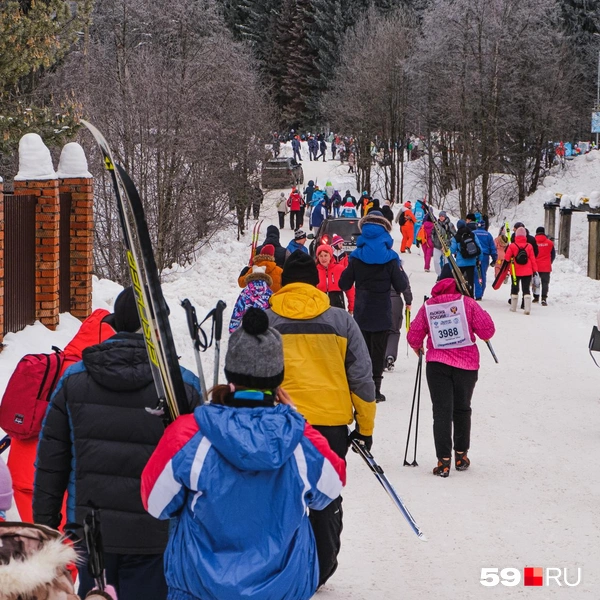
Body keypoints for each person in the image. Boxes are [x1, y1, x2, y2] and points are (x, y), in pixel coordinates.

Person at [141, 309, 345, 600]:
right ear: (277, 380)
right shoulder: (300, 440)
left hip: (201, 588)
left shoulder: (189, 435)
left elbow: (155, 504)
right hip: (283, 589)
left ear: (231, 376)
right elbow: (331, 488)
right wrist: (299, 421)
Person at [33, 287, 203, 600]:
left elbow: (50, 461)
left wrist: (44, 528)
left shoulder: (74, 380)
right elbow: (200, 467)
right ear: (159, 325)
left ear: (117, 325)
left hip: (92, 532)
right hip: (157, 532)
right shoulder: (183, 386)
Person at [266, 251, 375, 588]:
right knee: (326, 496)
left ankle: (280, 565)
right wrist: (365, 428)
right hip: (329, 428)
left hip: (279, 424)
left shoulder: (265, 321)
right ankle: (322, 568)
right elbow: (361, 379)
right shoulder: (341, 321)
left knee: (279, 494)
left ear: (283, 284)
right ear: (316, 282)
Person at [6, 308, 116, 527]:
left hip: (22, 475)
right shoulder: (88, 378)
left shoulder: (56, 365)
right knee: (67, 554)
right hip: (54, 481)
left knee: (42, 549)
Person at [407, 264, 495, 477]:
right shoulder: (468, 304)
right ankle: (461, 455)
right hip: (466, 366)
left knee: (442, 411)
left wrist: (418, 347)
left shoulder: (429, 306)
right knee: (462, 409)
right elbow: (487, 331)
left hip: (437, 365)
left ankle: (443, 461)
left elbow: (413, 335)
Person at [340, 211, 410, 402]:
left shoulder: (356, 256)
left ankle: (361, 388)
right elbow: (401, 286)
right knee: (378, 351)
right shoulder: (391, 257)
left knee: (362, 351)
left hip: (362, 311)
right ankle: (376, 390)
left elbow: (343, 284)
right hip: (382, 311)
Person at [504, 226, 538, 314]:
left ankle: (513, 307)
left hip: (515, 271)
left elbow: (507, 258)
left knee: (515, 288)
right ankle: (527, 309)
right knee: (526, 289)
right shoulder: (529, 246)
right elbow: (533, 259)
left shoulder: (512, 246)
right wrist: (534, 270)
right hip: (527, 271)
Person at [229, 265, 273, 333]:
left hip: (248, 328)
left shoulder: (246, 292)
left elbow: (238, 311)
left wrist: (232, 330)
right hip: (265, 328)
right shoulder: (270, 293)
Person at [385, 273, 413, 372]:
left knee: (379, 330)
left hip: (378, 300)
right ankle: (390, 355)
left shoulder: (374, 264)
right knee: (394, 330)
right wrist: (408, 301)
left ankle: (378, 358)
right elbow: (405, 285)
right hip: (395, 300)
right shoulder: (397, 267)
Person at [315, 244, 355, 312]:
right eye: (320, 256)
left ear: (330, 256)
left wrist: (352, 307)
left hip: (338, 307)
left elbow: (350, 289)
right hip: (320, 308)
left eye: (325, 255)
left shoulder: (340, 269)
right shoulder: (315, 271)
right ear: (318, 257)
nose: (323, 258)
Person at [468, 213, 497, 300]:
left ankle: (475, 292)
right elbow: (493, 248)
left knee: (475, 274)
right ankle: (480, 293)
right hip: (485, 257)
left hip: (474, 255)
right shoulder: (488, 235)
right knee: (482, 274)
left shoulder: (472, 233)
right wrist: (494, 258)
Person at [449, 219, 482, 296]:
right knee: (470, 281)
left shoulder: (456, 237)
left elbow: (452, 250)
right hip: (471, 262)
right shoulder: (472, 234)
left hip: (460, 262)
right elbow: (479, 247)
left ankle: (459, 295)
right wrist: (479, 259)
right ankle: (470, 297)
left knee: (459, 280)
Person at [533, 226, 555, 305]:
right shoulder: (550, 243)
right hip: (546, 266)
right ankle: (544, 298)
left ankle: (536, 297)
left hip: (535, 266)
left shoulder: (533, 242)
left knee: (535, 282)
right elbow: (553, 255)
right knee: (545, 283)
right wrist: (549, 262)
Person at [431, 211, 456, 276]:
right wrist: (434, 242)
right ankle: (439, 275)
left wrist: (448, 242)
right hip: (437, 246)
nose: (441, 217)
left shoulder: (450, 224)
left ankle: (446, 274)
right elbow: (432, 233)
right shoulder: (436, 224)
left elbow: (454, 235)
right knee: (436, 261)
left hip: (446, 246)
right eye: (440, 216)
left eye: (442, 216)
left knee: (447, 262)